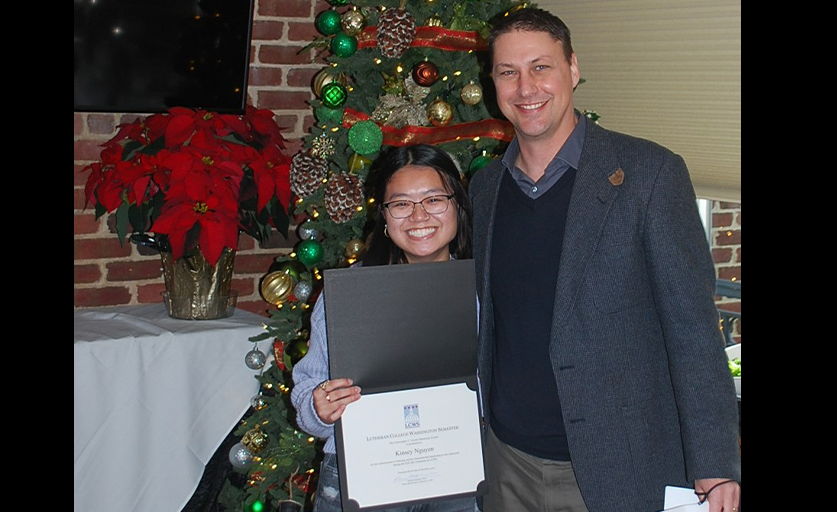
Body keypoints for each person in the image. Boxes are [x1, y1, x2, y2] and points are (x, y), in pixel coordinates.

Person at [468, 7, 741, 512]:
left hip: (616, 467)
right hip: (506, 464)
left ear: (572, 68)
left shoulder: (649, 175)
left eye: (541, 67)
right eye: (508, 72)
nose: (526, 88)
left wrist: (717, 462)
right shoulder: (485, 189)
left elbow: (693, 331)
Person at [291, 144, 477, 512]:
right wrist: (319, 407)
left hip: (457, 474)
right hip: (361, 472)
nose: (419, 216)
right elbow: (308, 393)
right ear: (386, 218)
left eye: (434, 199)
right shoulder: (348, 294)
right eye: (402, 203)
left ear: (457, 207)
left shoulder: (482, 288)